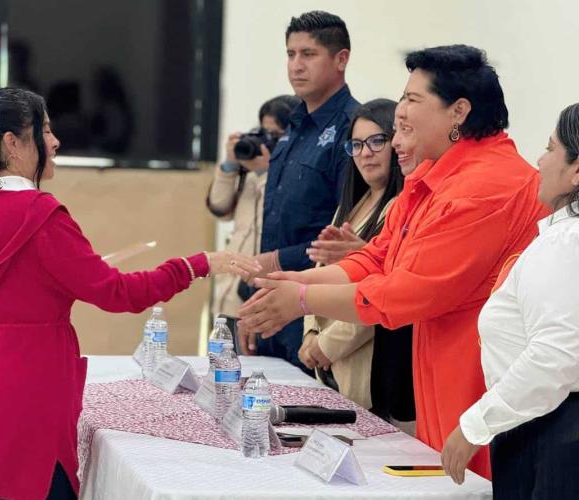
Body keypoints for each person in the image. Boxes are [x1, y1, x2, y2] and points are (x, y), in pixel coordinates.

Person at [0, 87, 259, 500]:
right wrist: (194, 265)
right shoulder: (42, 217)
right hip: (27, 390)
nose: (54, 142)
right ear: (13, 144)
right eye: (46, 131)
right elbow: (118, 294)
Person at [239, 45, 548, 478]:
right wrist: (296, 280)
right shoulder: (437, 178)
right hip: (441, 366)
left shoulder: (485, 187)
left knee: (479, 482)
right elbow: (377, 256)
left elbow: (409, 291)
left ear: (458, 111)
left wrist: (303, 299)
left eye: (412, 101)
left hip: (480, 375)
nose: (401, 111)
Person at [441, 103, 579, 497]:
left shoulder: (565, 243)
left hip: (552, 432)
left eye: (550, 148)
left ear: (576, 170)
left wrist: (475, 425)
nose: (539, 159)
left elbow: (553, 356)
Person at [247, 11, 359, 370]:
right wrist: (258, 297)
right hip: (274, 302)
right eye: (291, 54)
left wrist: (278, 262)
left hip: (317, 312)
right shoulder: (293, 124)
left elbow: (349, 235)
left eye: (308, 54)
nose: (296, 65)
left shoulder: (353, 130)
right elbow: (276, 224)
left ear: (341, 59)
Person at [301, 99, 414, 432]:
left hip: (370, 365)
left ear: (396, 142)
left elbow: (384, 288)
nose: (366, 153)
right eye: (357, 144)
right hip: (329, 363)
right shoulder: (351, 206)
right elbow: (318, 269)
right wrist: (309, 333)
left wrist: (326, 345)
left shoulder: (400, 206)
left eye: (377, 141)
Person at [207, 95, 299, 320]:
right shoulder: (250, 171)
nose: (266, 143)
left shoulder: (294, 177)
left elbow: (280, 215)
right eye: (263, 133)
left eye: (275, 136)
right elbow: (220, 208)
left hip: (256, 298)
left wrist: (266, 173)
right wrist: (229, 167)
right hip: (224, 296)